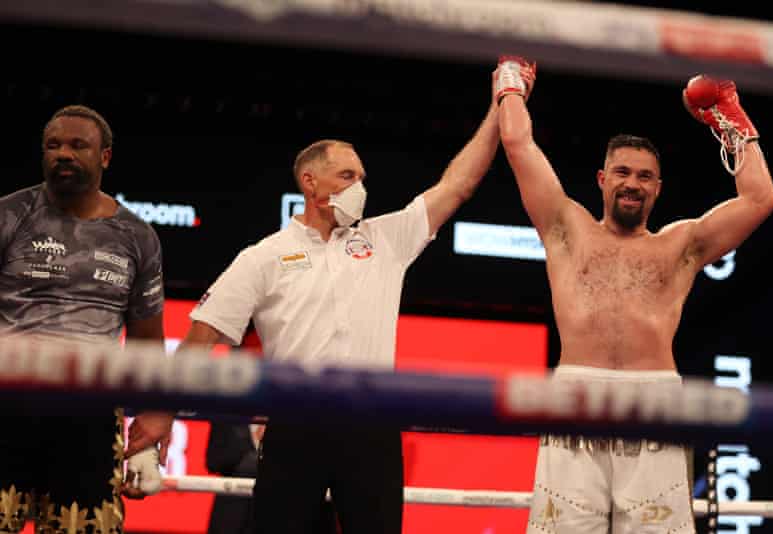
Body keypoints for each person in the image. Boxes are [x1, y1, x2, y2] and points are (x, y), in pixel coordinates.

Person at [161, 67, 533, 533]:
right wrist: (159, 413)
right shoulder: (264, 256)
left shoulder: (385, 239)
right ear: (310, 183)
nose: (360, 186)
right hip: (293, 425)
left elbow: (457, 185)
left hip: (371, 427)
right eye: (346, 175)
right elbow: (203, 331)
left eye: (361, 176)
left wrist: (501, 104)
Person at [497, 60, 773, 533]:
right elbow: (517, 143)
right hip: (575, 397)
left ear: (658, 188)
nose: (633, 183)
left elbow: (759, 199)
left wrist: (733, 119)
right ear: (603, 179)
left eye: (645, 176)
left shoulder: (680, 246)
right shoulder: (567, 228)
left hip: (655, 400)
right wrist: (511, 83)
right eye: (623, 172)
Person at [0, 105, 166, 533]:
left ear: (105, 156)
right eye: (53, 145)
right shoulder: (8, 215)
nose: (64, 154)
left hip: (89, 412)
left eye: (78, 145)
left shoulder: (137, 236)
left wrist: (151, 412)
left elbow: (147, 336)